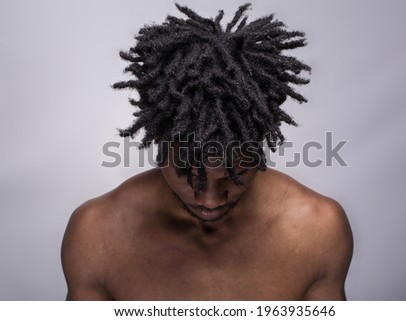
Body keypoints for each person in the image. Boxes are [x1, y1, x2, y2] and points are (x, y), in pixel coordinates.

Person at [61, 3, 353, 300]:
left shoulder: (317, 231)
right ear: (159, 142)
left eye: (235, 176)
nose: (211, 200)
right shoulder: (96, 236)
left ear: (260, 147)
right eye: (190, 176)